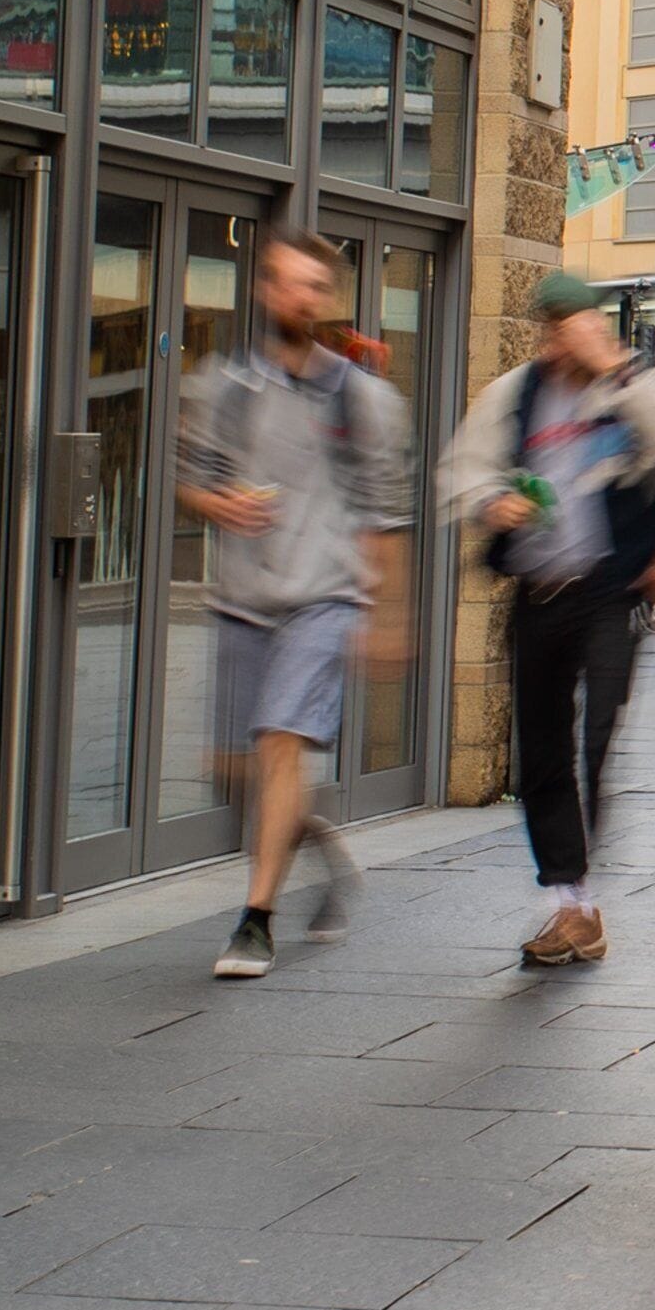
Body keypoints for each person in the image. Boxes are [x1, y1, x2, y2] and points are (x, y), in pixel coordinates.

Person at [174, 229, 412, 982]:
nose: (299, 297)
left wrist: (388, 615)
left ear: (328, 298)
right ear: (264, 290)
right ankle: (324, 852)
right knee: (235, 770)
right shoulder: (223, 385)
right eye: (286, 282)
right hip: (244, 601)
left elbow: (385, 515)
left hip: (324, 598)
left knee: (280, 743)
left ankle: (255, 921)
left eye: (314, 286)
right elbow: (190, 479)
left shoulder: (363, 399)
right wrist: (220, 505)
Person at [441, 271, 655, 967]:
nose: (562, 338)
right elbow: (460, 469)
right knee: (543, 752)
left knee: (598, 738)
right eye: (552, 326)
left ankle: (579, 894)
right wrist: (493, 501)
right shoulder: (515, 394)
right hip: (539, 593)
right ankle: (570, 900)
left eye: (574, 323)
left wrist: (616, 369)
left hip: (607, 593)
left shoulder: (631, 383)